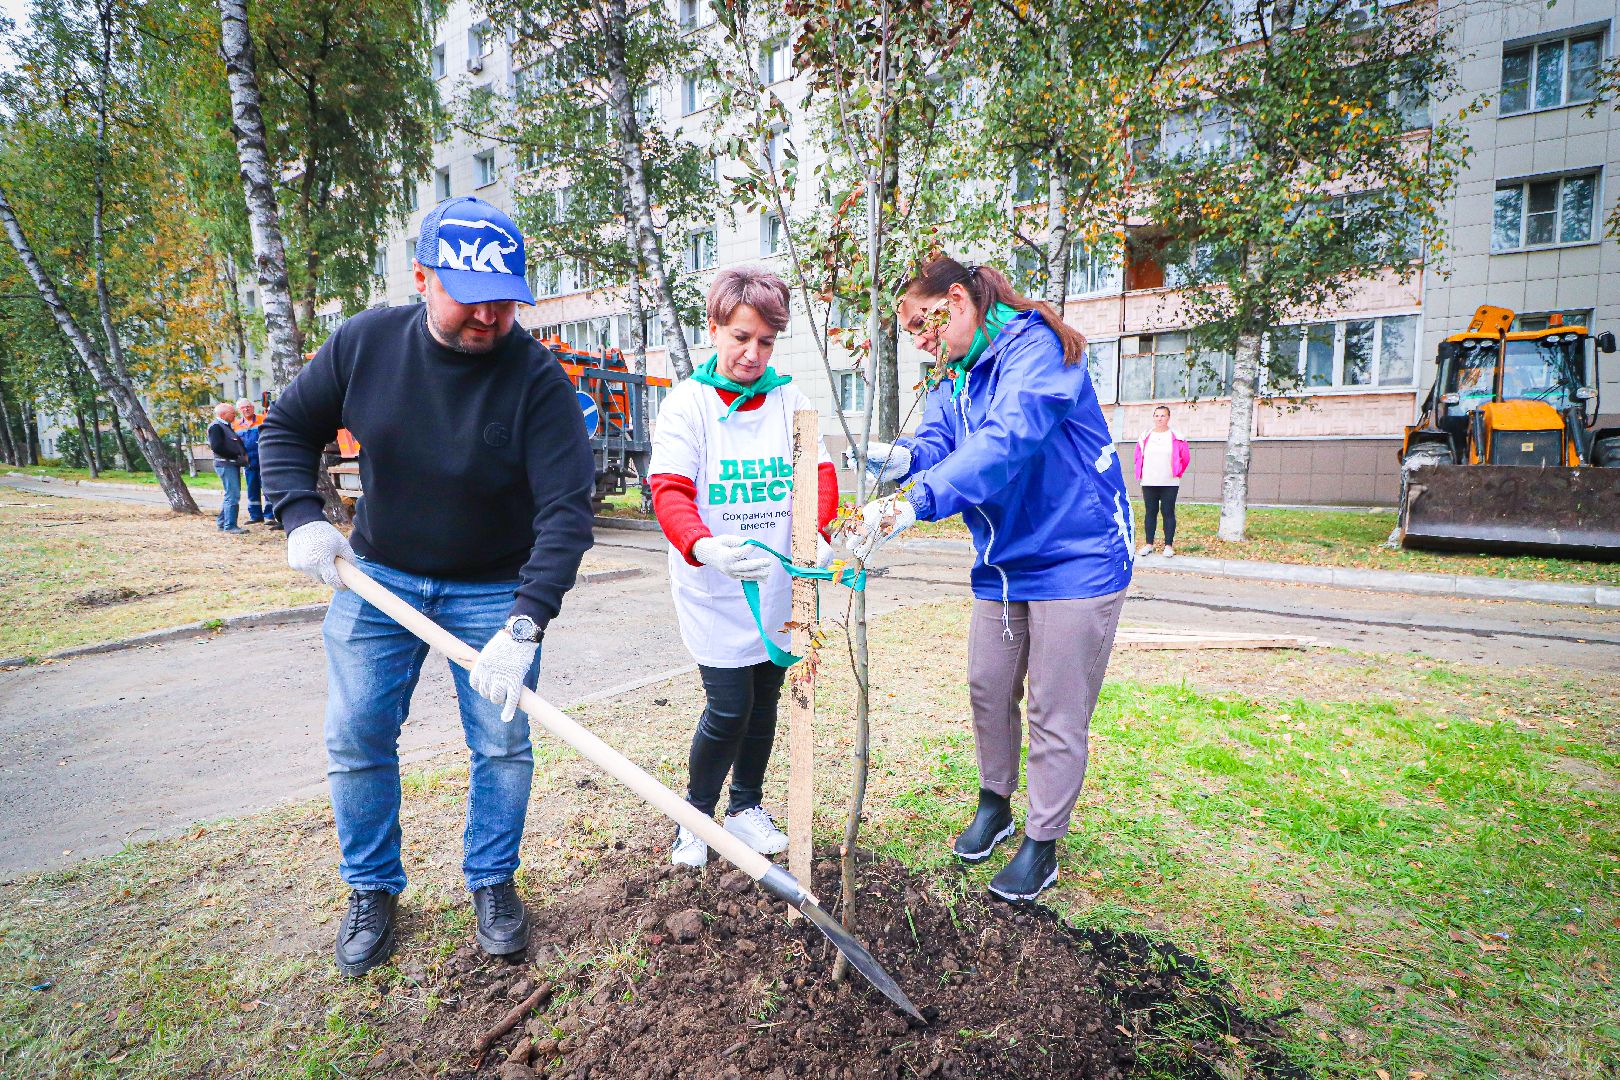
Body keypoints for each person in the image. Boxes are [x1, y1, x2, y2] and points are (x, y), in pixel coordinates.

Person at [259, 196, 596, 977]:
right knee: (357, 737)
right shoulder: (365, 345)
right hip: (378, 578)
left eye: (504, 301)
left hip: (492, 590)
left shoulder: (536, 378)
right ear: (422, 279)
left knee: (503, 744)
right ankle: (372, 889)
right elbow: (285, 428)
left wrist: (524, 624)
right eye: (470, 298)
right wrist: (301, 516)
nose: (488, 316)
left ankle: (492, 881)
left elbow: (566, 515)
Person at [846, 255, 1133, 902]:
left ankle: (1042, 842)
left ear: (957, 298)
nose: (921, 340)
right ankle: (994, 804)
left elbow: (1005, 441)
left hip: (1076, 554)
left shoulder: (1039, 350)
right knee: (988, 685)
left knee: (1056, 707)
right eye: (912, 333)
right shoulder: (960, 375)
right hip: (1004, 561)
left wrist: (914, 503)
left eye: (924, 323)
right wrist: (904, 459)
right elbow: (942, 438)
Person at [647, 266, 839, 869]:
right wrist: (704, 547)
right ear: (714, 329)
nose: (752, 354)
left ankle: (746, 807)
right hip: (715, 588)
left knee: (765, 695)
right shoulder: (689, 404)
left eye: (765, 341)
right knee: (728, 705)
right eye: (740, 337)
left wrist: (821, 532)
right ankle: (695, 816)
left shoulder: (790, 401)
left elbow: (821, 476)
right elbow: (671, 491)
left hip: (779, 587)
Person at [1134, 405, 1190, 557]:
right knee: (1150, 512)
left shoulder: (1177, 436)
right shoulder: (1145, 436)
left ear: (1168, 418)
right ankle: (1148, 544)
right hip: (1149, 480)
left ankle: (1168, 546)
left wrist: (1178, 472)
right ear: (1153, 417)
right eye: (1157, 416)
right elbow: (1138, 456)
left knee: (1168, 512)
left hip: (1169, 482)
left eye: (1163, 416)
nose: (1160, 419)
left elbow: (1185, 458)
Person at [233, 398, 278, 529]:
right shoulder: (236, 425)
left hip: (265, 458)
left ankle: (270, 516)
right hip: (249, 461)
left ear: (252, 407)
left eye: (248, 406)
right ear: (239, 410)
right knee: (252, 487)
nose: (246, 409)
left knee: (267, 487)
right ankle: (255, 515)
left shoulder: (263, 419)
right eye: (243, 408)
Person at [207, 402, 249, 535]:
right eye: (232, 413)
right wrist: (237, 455)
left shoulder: (225, 426)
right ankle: (230, 526)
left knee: (230, 494)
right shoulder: (216, 427)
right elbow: (217, 447)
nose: (235, 415)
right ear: (223, 414)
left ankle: (222, 522)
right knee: (233, 495)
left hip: (230, 464)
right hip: (226, 464)